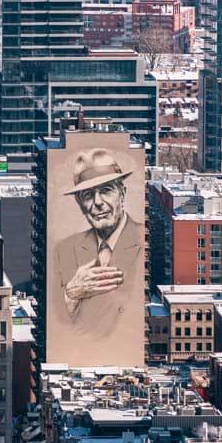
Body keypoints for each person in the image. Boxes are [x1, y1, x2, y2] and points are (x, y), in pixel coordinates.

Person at [47, 147, 144, 366]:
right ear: (80, 205)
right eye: (88, 195)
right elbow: (58, 323)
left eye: (106, 190)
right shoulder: (64, 249)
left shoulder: (143, 241)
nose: (97, 202)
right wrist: (71, 295)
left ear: (123, 194)